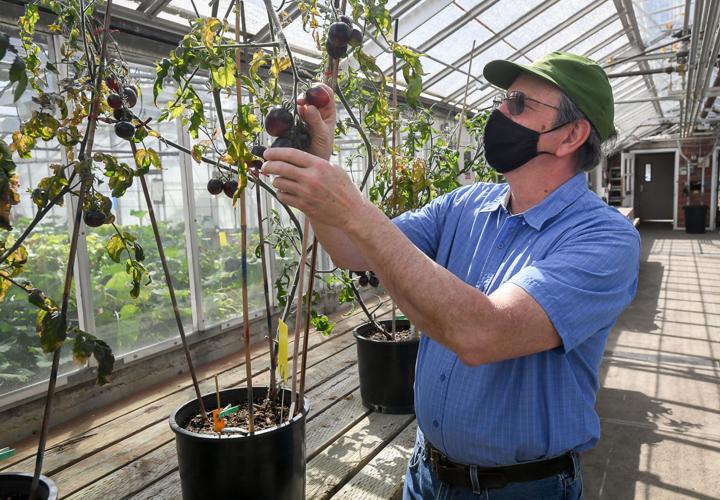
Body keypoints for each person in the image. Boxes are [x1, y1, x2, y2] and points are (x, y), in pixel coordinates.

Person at [261, 51, 640, 499]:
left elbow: (483, 334)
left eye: (518, 104)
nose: (499, 113)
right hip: (426, 471)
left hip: (519, 490)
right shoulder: (467, 205)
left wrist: (355, 208)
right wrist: (320, 179)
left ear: (570, 135)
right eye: (504, 100)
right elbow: (353, 251)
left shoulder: (604, 239)